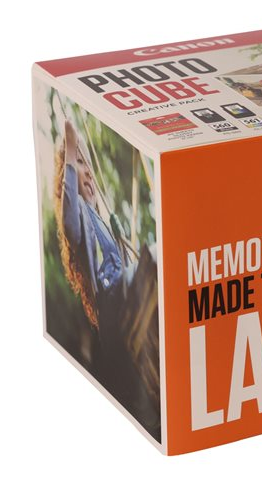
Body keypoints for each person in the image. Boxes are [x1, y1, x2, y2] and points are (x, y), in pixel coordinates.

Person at [53, 119, 161, 440]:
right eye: (79, 164)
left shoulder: (99, 220)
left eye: (87, 164)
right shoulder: (78, 219)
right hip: (116, 302)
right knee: (158, 257)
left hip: (122, 302)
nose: (88, 173)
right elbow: (69, 217)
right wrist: (70, 146)